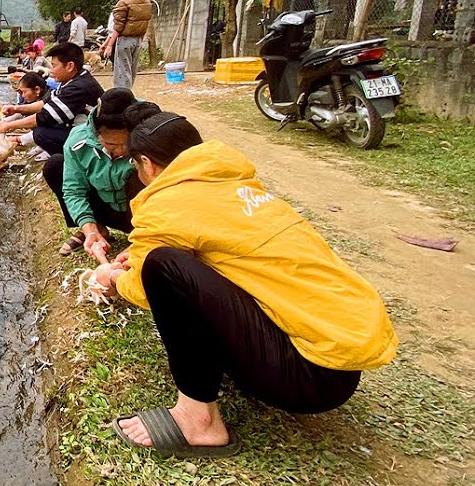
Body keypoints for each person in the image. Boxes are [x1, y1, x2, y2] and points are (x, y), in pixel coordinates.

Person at [87, 105, 396, 458]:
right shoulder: (238, 185)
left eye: (134, 165)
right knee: (164, 261)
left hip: (307, 378)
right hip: (340, 369)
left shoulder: (168, 203)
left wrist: (111, 275)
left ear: (148, 164)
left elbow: (144, 287)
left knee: (162, 265)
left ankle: (199, 422)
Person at [43, 88, 142, 256]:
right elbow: (74, 190)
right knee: (55, 165)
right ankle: (96, 228)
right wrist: (89, 228)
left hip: (142, 213)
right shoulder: (79, 140)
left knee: (136, 175)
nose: (121, 150)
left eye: (127, 143)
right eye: (112, 144)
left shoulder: (150, 133)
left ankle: (143, 236)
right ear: (97, 135)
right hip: (108, 208)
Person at [0, 43, 102, 155]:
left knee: (40, 133)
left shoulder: (78, 87)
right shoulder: (71, 81)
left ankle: (67, 156)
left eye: (54, 66)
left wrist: (9, 125)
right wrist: (16, 109)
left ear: (69, 66)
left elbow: (45, 116)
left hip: (92, 136)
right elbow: (45, 103)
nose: (51, 70)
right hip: (80, 129)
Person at [102, 0, 151, 90]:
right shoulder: (146, 2)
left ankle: (122, 97)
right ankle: (128, 93)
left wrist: (109, 45)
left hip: (125, 40)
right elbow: (145, 22)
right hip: (138, 40)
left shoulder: (123, 3)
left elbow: (117, 27)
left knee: (122, 72)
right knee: (132, 70)